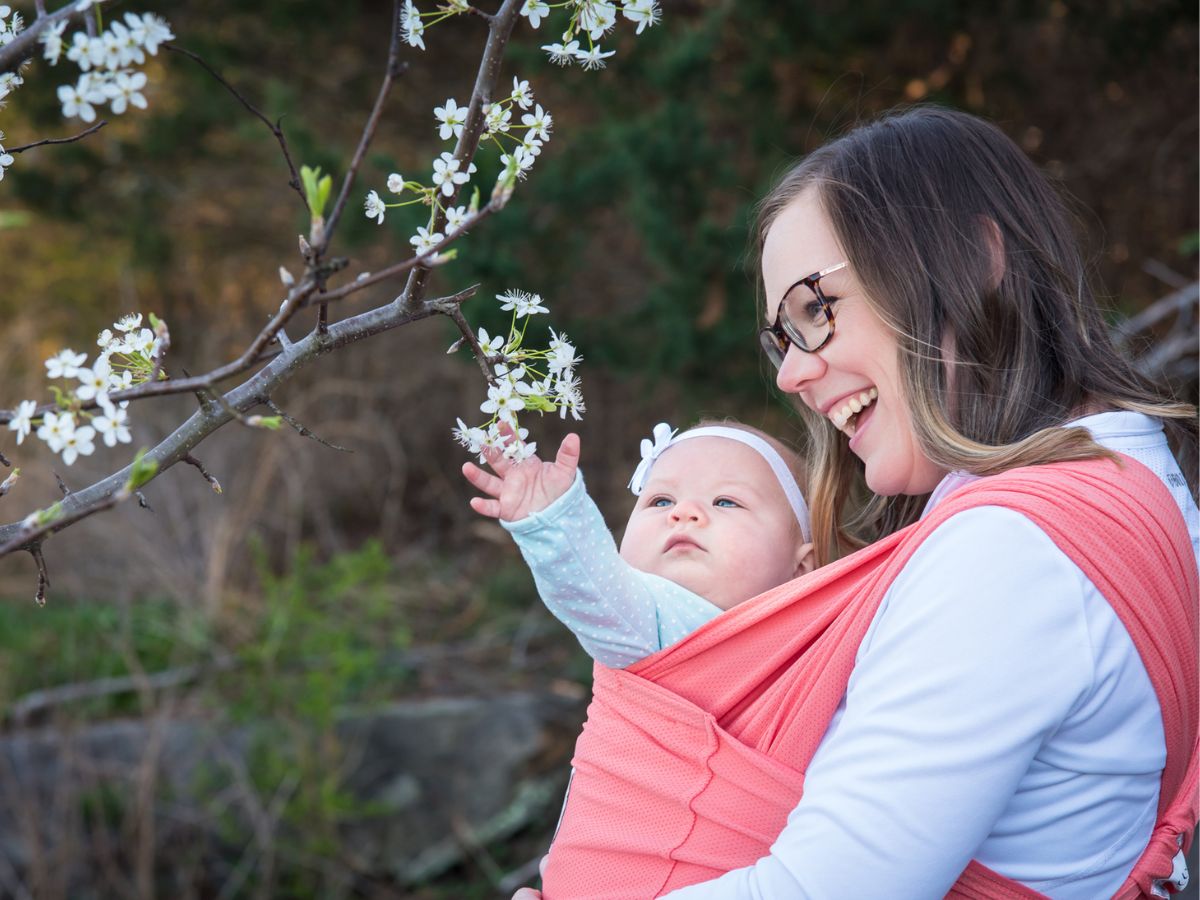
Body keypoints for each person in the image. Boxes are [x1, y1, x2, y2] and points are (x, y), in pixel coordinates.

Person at [512, 106, 1199, 899]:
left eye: (817, 310)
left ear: (973, 263)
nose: (790, 375)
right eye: (782, 337)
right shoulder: (1133, 481)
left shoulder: (1010, 553)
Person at [461, 420, 816, 668]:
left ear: (801, 568)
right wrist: (554, 521)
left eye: (725, 501)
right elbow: (593, 590)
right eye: (661, 501)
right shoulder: (651, 623)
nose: (683, 512)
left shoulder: (827, 650)